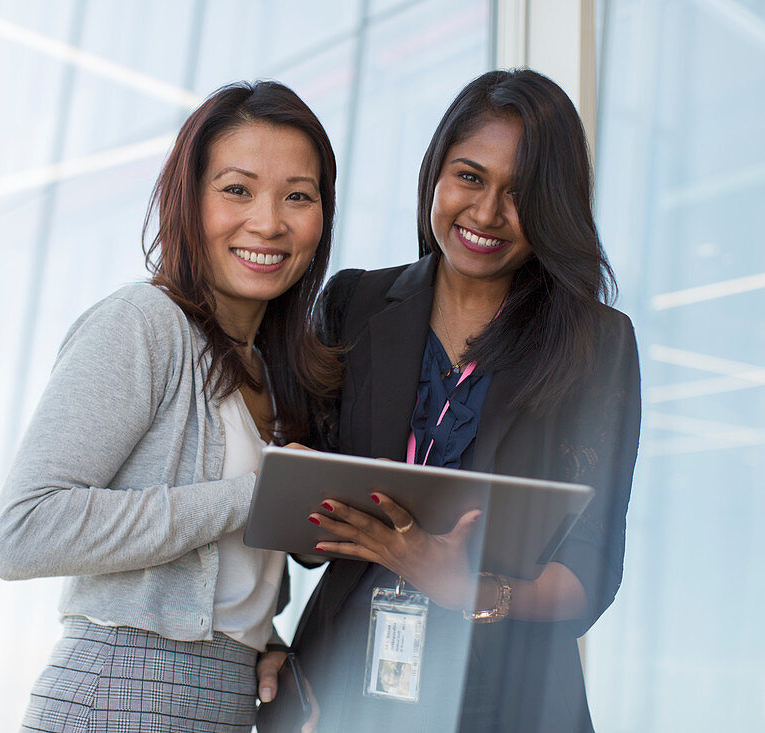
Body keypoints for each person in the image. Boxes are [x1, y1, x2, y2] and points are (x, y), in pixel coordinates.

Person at [257, 69, 641, 732]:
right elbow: (301, 538)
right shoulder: (353, 305)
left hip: (504, 701)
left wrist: (470, 589)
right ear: (436, 172)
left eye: (520, 194)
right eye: (469, 176)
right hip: (342, 689)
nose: (486, 213)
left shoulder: (594, 344)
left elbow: (592, 570)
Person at [0, 80, 341, 732]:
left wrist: (262, 641)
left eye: (298, 195)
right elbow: (24, 531)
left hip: (225, 699)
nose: (268, 221)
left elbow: (226, 581)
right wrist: (255, 493)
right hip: (120, 691)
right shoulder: (144, 322)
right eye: (237, 189)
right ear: (189, 200)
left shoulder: (270, 368)